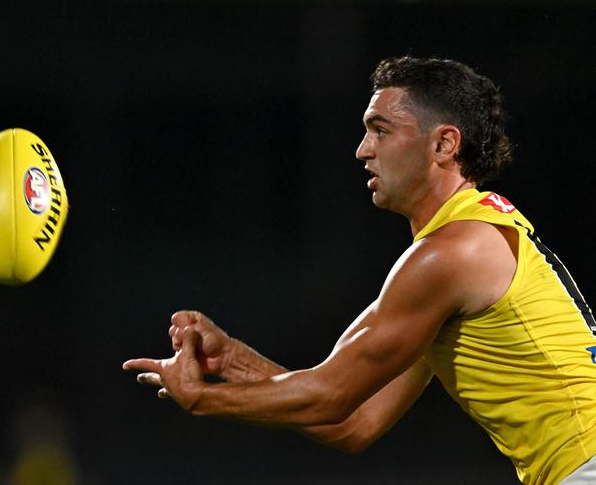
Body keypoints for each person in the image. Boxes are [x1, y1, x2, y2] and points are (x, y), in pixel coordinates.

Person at [123, 56, 596, 485]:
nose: (362, 150)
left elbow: (330, 395)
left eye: (381, 130)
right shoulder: (466, 242)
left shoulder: (451, 252)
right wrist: (230, 363)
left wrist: (202, 398)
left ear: (445, 144)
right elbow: (353, 422)